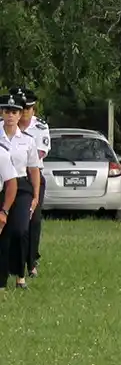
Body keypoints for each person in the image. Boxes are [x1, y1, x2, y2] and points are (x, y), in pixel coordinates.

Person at [0, 90, 43, 290]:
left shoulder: (27, 140)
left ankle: (20, 274)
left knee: (20, 230)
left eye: (14, 112)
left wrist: (35, 195)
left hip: (21, 186)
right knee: (4, 232)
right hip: (1, 185)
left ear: (20, 115)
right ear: (1, 113)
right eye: (7, 111)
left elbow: (33, 169)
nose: (10, 115)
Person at [15, 88, 48, 278]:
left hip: (32, 176)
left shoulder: (40, 128)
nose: (24, 112)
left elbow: (40, 154)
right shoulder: (5, 125)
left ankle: (31, 261)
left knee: (33, 220)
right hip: (9, 177)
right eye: (21, 108)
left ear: (33, 109)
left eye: (28, 108)